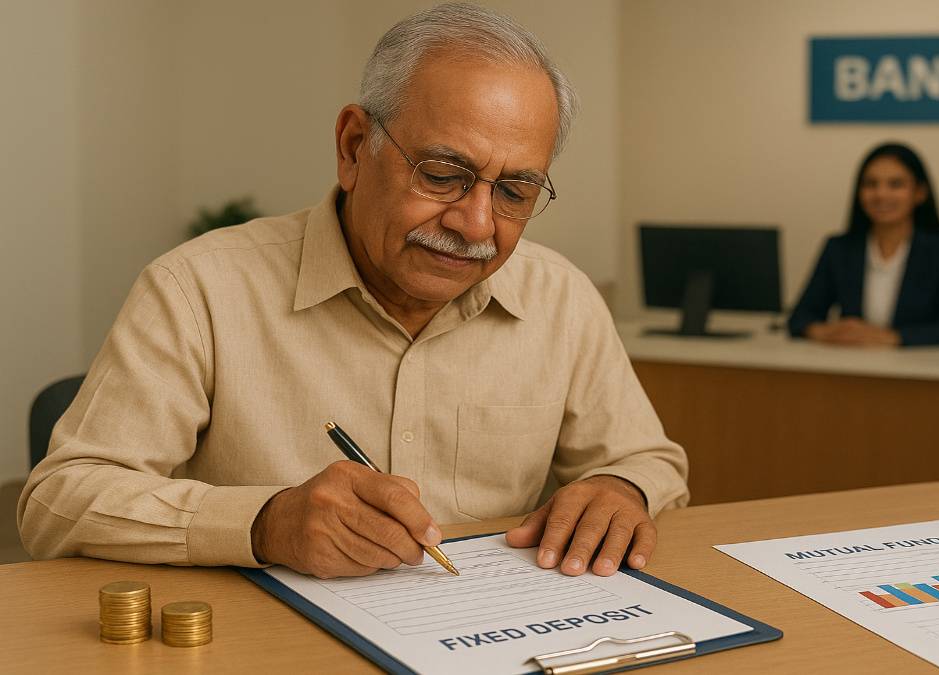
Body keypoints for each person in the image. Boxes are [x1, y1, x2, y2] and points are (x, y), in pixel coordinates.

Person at [18, 3, 688, 580]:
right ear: (353, 146)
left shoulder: (561, 297)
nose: (477, 225)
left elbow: (647, 459)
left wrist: (618, 487)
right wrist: (264, 522)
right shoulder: (199, 288)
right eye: (442, 174)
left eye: (515, 191)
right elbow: (58, 501)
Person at [787, 143, 939, 346]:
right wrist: (825, 332)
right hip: (852, 361)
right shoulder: (840, 248)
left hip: (921, 364)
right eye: (870, 184)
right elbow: (800, 317)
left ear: (920, 193)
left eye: (895, 184)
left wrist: (893, 337)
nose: (881, 194)